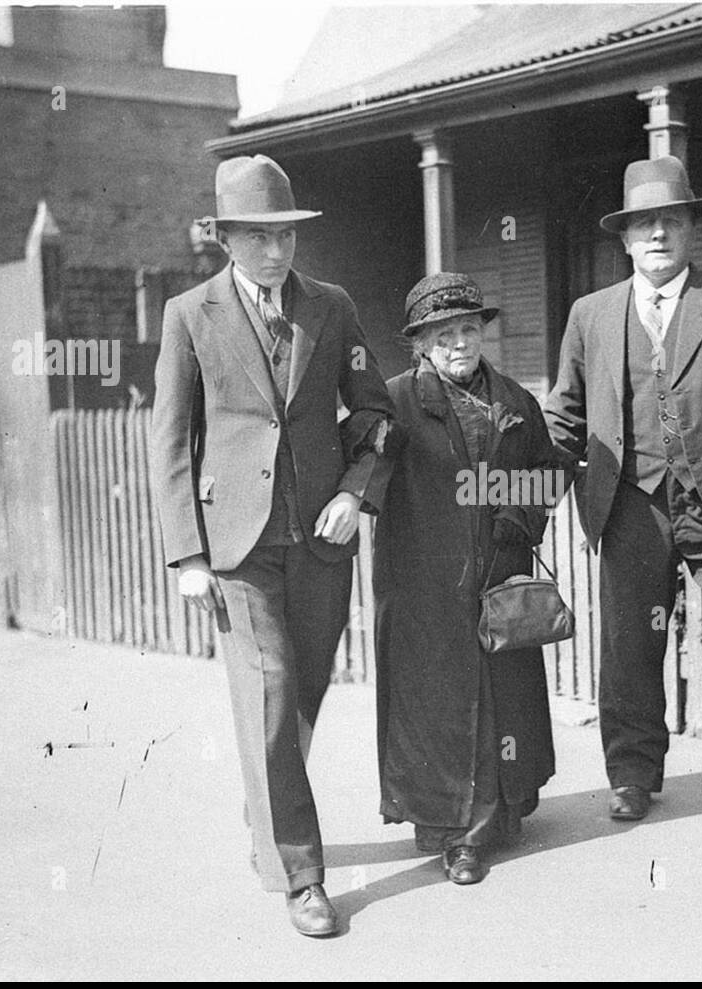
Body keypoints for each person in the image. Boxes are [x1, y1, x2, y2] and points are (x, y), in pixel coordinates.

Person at [149, 154, 398, 936]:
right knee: (273, 688)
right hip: (236, 545)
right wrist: (188, 553)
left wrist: (357, 491)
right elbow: (172, 440)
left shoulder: (333, 306)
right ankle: (303, 874)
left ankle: (265, 807)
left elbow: (374, 414)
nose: (274, 252)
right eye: (256, 237)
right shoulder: (189, 315)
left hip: (319, 537)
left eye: (284, 235)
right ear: (225, 238)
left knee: (304, 694)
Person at [543, 155, 702, 832]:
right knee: (629, 645)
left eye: (670, 220)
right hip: (630, 505)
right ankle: (631, 776)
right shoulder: (591, 314)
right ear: (624, 239)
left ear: (691, 229)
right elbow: (566, 416)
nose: (657, 234)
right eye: (642, 224)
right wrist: (531, 484)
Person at [373, 273, 558, 885]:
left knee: (500, 696)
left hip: (499, 576)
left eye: (470, 330)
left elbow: (549, 472)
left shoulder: (514, 402)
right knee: (437, 704)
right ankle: (454, 833)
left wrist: (520, 512)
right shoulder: (395, 401)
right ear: (422, 343)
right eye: (445, 333)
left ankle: (496, 815)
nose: (460, 343)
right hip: (424, 584)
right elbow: (365, 476)